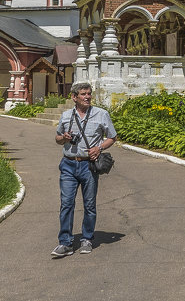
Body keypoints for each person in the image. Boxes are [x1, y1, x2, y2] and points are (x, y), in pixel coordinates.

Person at [51, 82, 116, 258]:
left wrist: (99, 148)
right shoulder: (66, 116)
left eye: (89, 94)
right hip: (69, 164)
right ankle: (65, 243)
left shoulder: (101, 114)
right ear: (74, 97)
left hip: (89, 165)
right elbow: (57, 138)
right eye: (83, 94)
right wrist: (63, 138)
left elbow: (112, 136)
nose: (87, 97)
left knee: (89, 204)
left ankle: (87, 238)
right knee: (66, 203)